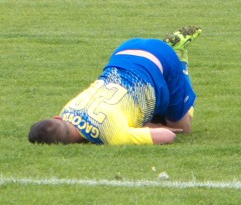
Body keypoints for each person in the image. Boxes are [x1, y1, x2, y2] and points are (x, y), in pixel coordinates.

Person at [28, 26, 201, 145]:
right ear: (57, 118)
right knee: (154, 116)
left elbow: (169, 135)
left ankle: (179, 56)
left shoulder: (110, 134)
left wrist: (143, 131)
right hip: (125, 51)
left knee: (182, 128)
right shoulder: (67, 111)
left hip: (162, 61)